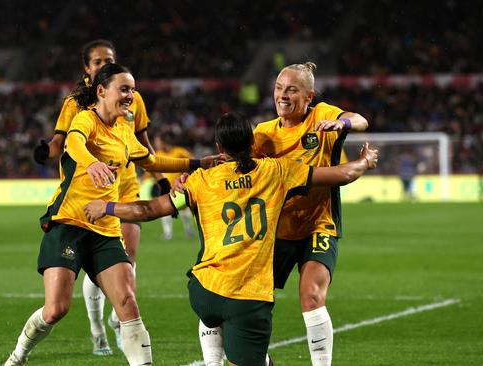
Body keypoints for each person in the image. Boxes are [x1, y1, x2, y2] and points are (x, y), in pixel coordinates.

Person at [83, 113, 378, 366]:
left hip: (204, 292)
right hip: (248, 299)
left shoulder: (199, 180)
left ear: (218, 146)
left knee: (215, 311)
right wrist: (364, 162)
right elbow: (341, 174)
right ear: (253, 143)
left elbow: (149, 210)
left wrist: (106, 207)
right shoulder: (277, 171)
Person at [3, 63, 219, 366]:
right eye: (125, 89)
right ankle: (17, 356)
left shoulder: (124, 133)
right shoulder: (85, 119)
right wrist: (91, 163)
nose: (131, 95)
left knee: (128, 304)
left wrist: (198, 163)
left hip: (105, 230)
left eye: (132, 89)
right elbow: (73, 142)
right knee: (56, 309)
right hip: (68, 223)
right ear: (102, 91)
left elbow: (153, 161)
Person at [32, 39, 171, 355]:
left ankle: (120, 320)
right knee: (95, 264)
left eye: (108, 60)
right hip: (88, 186)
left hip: (125, 182)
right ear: (87, 69)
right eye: (96, 61)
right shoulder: (76, 105)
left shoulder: (131, 98)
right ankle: (98, 332)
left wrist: (161, 177)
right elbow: (64, 141)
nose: (101, 65)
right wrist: (46, 151)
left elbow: (144, 145)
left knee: (127, 261)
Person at [250, 62, 369, 366]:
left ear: (309, 96)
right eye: (278, 88)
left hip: (319, 224)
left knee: (311, 296)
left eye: (291, 89)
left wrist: (341, 125)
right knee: (248, 301)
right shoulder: (262, 135)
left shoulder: (322, 115)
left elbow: (360, 120)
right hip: (276, 229)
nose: (282, 95)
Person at [152, 133, 195, 240]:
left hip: (179, 187)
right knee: (164, 210)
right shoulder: (158, 153)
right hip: (165, 187)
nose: (157, 144)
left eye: (158, 141)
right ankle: (168, 233)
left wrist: (187, 174)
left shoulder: (179, 151)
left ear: (164, 142)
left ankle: (189, 230)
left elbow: (193, 161)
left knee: (184, 210)